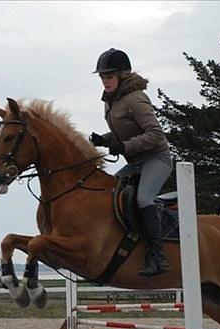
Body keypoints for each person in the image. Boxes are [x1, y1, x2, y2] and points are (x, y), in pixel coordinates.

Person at [89, 48, 173, 277]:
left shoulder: (135, 99)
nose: (105, 81)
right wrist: (104, 140)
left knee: (143, 198)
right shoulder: (111, 102)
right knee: (109, 194)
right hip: (136, 163)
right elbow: (123, 133)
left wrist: (123, 147)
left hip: (157, 159)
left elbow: (156, 135)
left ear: (122, 76)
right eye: (103, 77)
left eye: (109, 77)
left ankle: (158, 256)